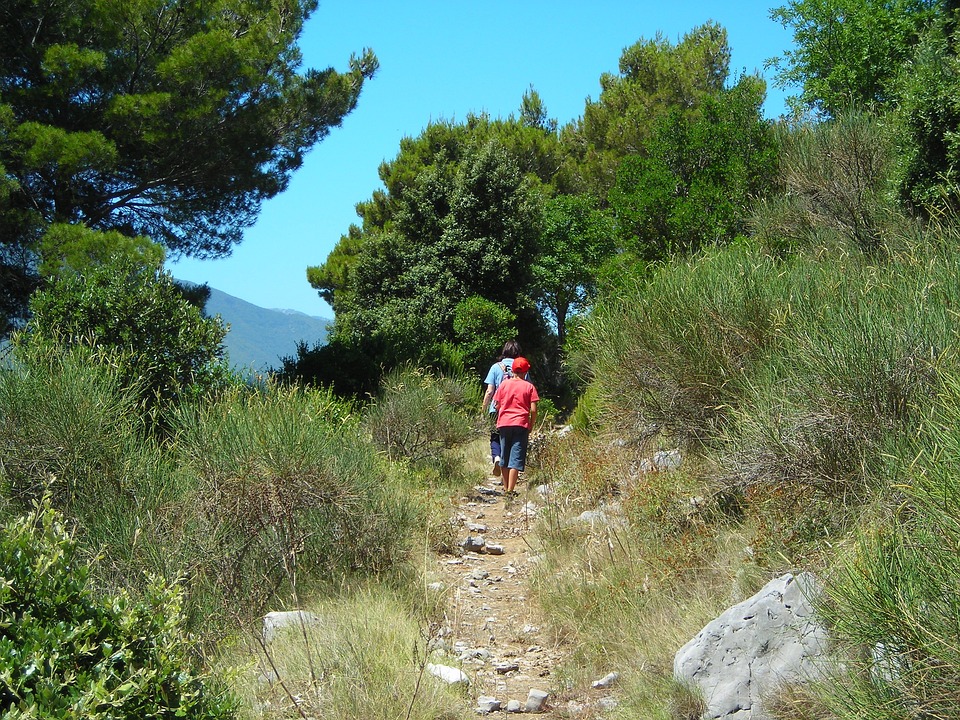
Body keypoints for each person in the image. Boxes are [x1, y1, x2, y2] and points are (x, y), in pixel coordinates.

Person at [492, 356, 538, 497]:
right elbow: (533, 409)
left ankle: (506, 489)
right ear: (525, 371)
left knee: (504, 457)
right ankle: (511, 490)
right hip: (521, 424)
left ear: (512, 370)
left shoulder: (504, 385)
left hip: (504, 424)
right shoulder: (529, 387)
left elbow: (496, 404)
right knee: (516, 458)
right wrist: (531, 424)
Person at [481, 340, 522, 477]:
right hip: (516, 410)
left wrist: (484, 409)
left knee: (495, 436)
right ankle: (509, 470)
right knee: (512, 440)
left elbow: (489, 391)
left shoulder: (495, 367)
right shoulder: (521, 369)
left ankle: (497, 458)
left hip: (496, 408)